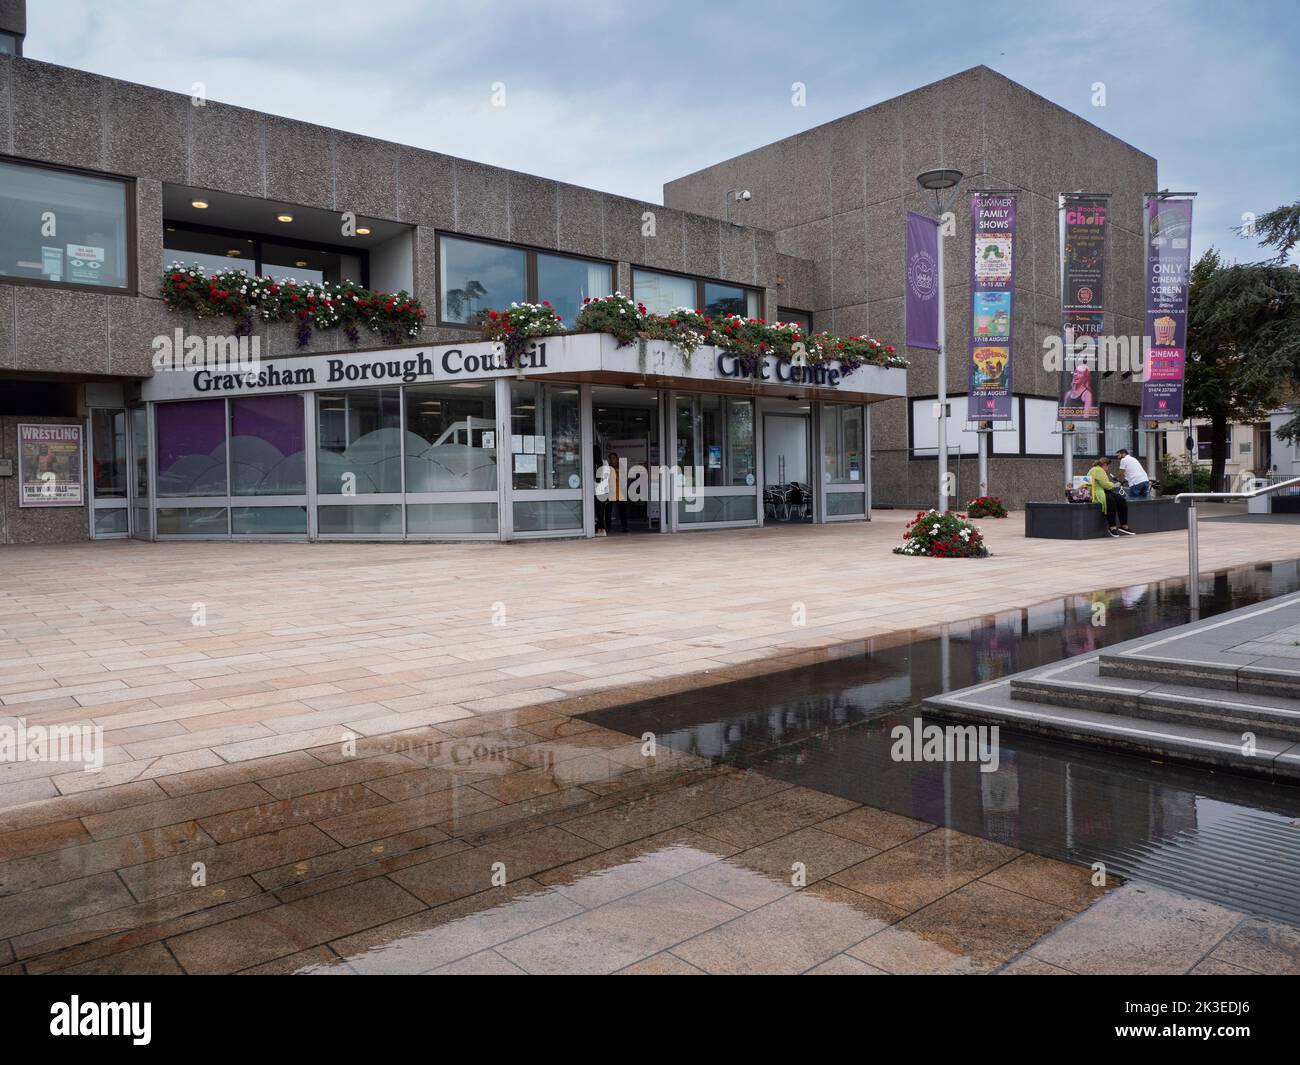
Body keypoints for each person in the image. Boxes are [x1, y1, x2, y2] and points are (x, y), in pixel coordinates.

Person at [1088, 457, 1134, 537]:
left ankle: (1123, 526)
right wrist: (1114, 485)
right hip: (1098, 492)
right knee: (1111, 501)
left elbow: (1105, 484)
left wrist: (1111, 485)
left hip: (1103, 490)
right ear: (1105, 464)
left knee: (1121, 500)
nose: (1108, 468)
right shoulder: (1098, 470)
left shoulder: (1096, 469)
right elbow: (1105, 484)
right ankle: (1113, 527)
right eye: (1108, 466)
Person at [606, 450, 629, 533]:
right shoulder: (607, 468)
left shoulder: (621, 468)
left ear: (617, 459)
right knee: (608, 511)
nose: (612, 460)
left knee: (623, 511)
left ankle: (625, 527)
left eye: (613, 458)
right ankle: (608, 527)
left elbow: (625, 479)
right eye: (610, 458)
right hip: (611, 492)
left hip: (620, 492)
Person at [593, 444, 607, 536]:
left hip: (595, 491)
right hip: (604, 490)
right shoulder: (605, 462)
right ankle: (600, 529)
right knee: (601, 512)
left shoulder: (592, 464)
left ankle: (601, 530)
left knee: (599, 512)